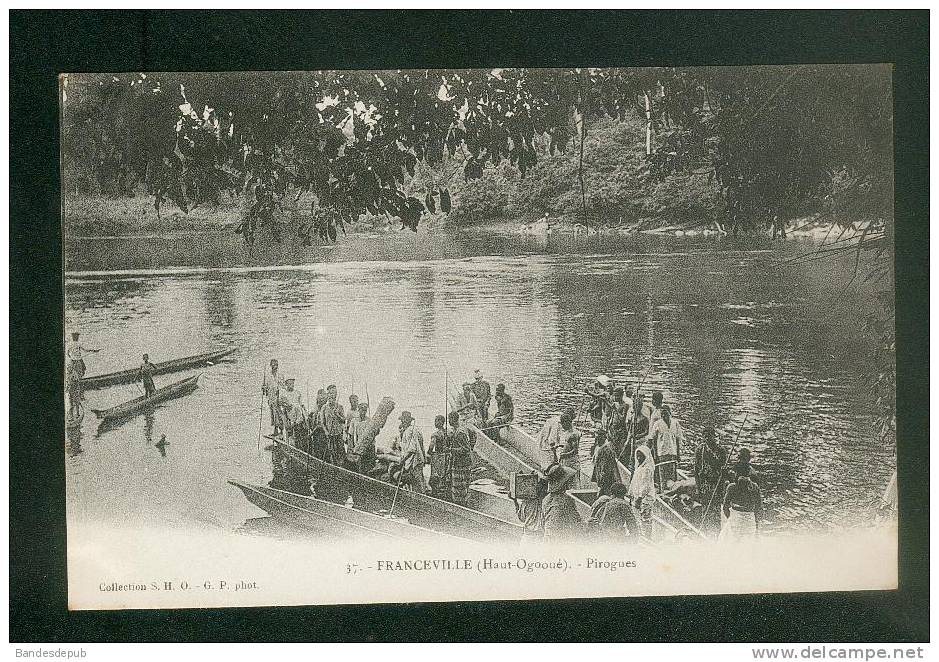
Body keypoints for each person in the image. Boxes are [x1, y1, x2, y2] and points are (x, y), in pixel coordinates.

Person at [541, 463, 581, 541]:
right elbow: (576, 524)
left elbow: (543, 524)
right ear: (565, 484)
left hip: (548, 539)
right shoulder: (566, 500)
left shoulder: (546, 499)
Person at [719, 473, 764, 542]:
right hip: (749, 519)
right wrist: (757, 526)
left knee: (730, 539)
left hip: (736, 518)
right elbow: (759, 508)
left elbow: (725, 507)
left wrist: (730, 518)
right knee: (749, 540)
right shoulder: (755, 487)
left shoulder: (732, 487)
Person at [650, 404, 684, 488]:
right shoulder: (657, 424)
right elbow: (653, 440)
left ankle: (672, 490)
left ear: (670, 413)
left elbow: (677, 439)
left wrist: (678, 455)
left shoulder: (675, 423)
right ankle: (662, 489)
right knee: (662, 474)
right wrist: (655, 455)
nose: (664, 416)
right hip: (662, 452)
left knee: (672, 474)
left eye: (666, 413)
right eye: (662, 414)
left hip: (672, 452)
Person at [694, 426, 728, 511]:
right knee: (705, 508)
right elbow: (696, 470)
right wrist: (698, 487)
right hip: (704, 483)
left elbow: (723, 468)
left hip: (717, 483)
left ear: (714, 436)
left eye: (709, 436)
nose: (707, 438)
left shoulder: (721, 450)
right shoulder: (699, 450)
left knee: (716, 508)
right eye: (705, 436)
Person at [395, 411, 427, 494]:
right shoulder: (417, 429)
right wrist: (424, 458)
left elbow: (412, 449)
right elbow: (422, 446)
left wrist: (403, 460)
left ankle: (419, 500)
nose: (402, 423)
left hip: (413, 461)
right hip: (419, 460)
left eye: (403, 421)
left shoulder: (408, 431)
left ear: (406, 421)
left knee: (416, 484)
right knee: (419, 481)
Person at [447, 411, 474, 505]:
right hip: (463, 462)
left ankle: (461, 504)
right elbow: (474, 434)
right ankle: (463, 502)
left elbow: (465, 449)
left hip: (461, 464)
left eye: (449, 419)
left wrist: (451, 449)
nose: (448, 421)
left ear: (453, 420)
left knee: (459, 486)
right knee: (463, 486)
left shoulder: (460, 433)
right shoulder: (461, 429)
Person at [629, 440, 657, 528]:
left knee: (645, 518)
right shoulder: (640, 467)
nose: (639, 458)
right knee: (639, 518)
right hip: (639, 497)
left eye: (641, 456)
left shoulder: (647, 468)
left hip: (645, 498)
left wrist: (640, 498)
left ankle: (647, 536)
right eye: (637, 456)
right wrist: (631, 493)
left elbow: (646, 485)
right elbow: (634, 481)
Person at [316, 384, 346, 465]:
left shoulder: (339, 407)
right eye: (330, 393)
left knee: (340, 451)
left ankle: (341, 467)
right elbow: (322, 422)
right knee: (331, 452)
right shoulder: (324, 408)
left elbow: (344, 420)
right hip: (329, 434)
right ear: (327, 395)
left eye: (334, 393)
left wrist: (337, 415)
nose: (332, 395)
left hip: (338, 433)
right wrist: (326, 431)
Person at [590, 431, 622, 497]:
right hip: (602, 475)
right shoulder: (598, 448)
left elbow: (607, 468)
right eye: (596, 438)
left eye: (598, 438)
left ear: (604, 438)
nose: (597, 440)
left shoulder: (607, 450)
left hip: (606, 477)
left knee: (605, 492)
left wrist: (602, 482)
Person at [427, 415, 451, 500]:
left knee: (436, 474)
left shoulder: (436, 434)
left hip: (438, 456)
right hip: (447, 456)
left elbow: (431, 445)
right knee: (445, 474)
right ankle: (445, 490)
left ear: (441, 422)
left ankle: (436, 492)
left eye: (436, 421)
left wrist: (428, 453)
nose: (435, 423)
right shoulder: (448, 432)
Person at [348, 402, 376, 475]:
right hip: (357, 445)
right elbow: (351, 435)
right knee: (357, 464)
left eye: (365, 410)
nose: (363, 412)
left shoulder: (369, 421)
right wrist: (351, 447)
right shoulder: (354, 421)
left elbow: (371, 435)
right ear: (359, 410)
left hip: (366, 446)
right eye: (362, 410)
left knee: (367, 465)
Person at [262, 359, 285, 435]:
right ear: (270, 366)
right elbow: (265, 386)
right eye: (273, 365)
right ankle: (275, 430)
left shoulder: (280, 374)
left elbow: (283, 386)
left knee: (279, 413)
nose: (274, 367)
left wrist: (280, 393)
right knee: (273, 413)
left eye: (276, 365)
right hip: (271, 397)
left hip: (278, 397)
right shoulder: (268, 376)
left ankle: (281, 431)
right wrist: (264, 388)